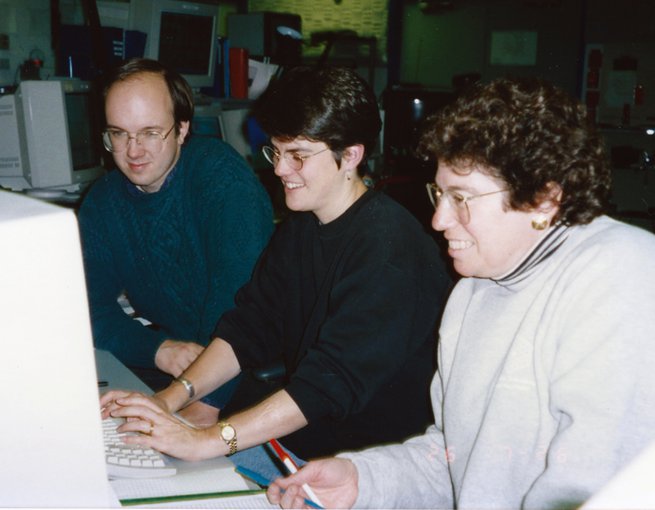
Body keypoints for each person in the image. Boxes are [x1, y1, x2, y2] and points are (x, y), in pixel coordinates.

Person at [267, 76, 655, 509]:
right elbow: (457, 458)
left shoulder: (620, 276)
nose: (438, 220)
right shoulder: (472, 294)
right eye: (440, 194)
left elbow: (599, 493)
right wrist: (365, 479)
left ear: (544, 200)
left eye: (462, 197)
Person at [99, 66, 452, 470]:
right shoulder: (304, 226)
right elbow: (248, 329)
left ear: (351, 155)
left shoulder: (390, 250)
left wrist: (204, 441)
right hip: (306, 445)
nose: (281, 170)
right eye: (276, 152)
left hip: (366, 468)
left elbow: (327, 384)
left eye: (298, 156)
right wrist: (167, 400)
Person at [79, 58, 274, 422]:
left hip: (249, 371)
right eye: (118, 134)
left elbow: (241, 313)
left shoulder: (222, 182)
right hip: (180, 369)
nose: (133, 150)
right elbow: (88, 310)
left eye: (151, 132)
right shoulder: (103, 202)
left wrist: (202, 405)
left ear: (183, 129)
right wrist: (159, 350)